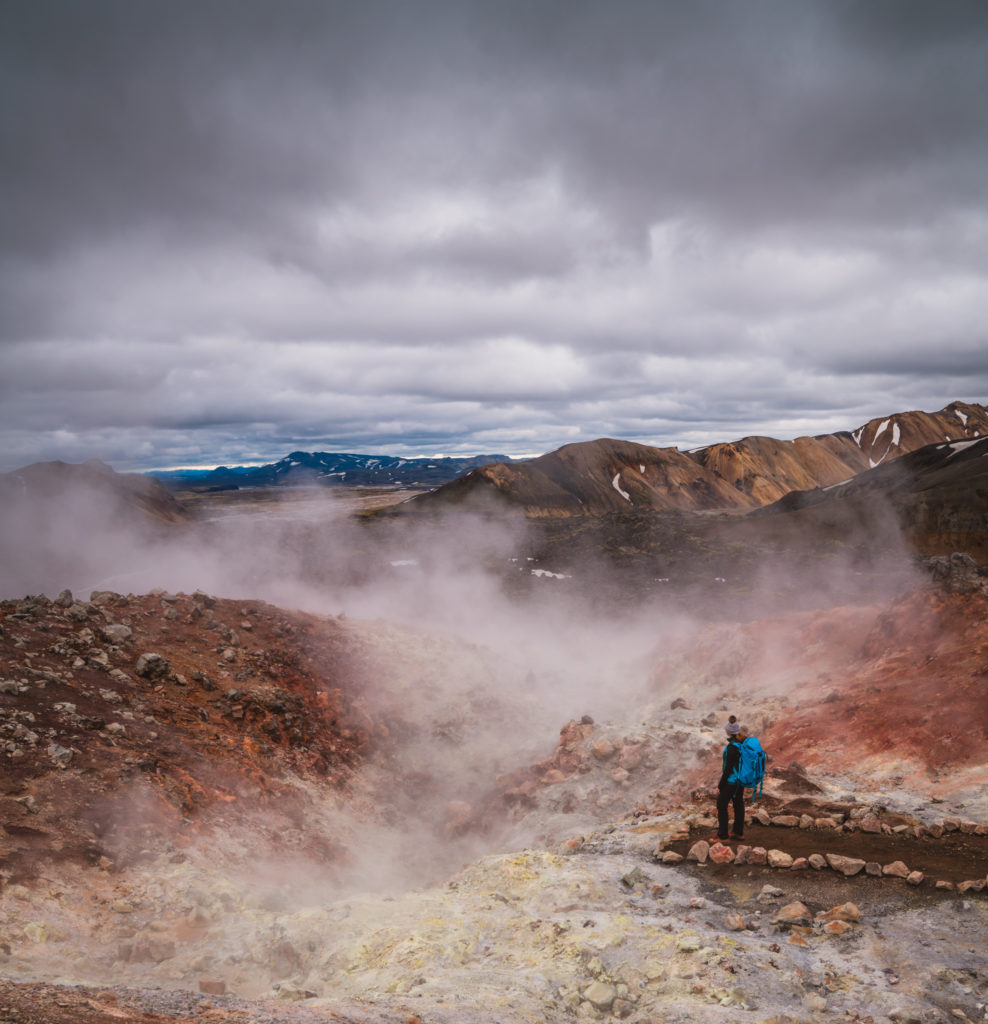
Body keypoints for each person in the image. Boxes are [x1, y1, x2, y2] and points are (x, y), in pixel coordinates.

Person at [712, 717, 746, 841]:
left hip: (731, 781)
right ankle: (738, 832)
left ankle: (723, 835)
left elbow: (728, 770)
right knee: (738, 804)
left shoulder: (732, 748)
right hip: (740, 781)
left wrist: (720, 786)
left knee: (721, 804)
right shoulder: (742, 744)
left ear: (728, 732)